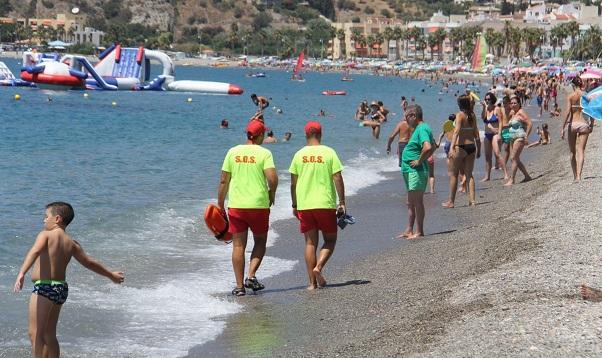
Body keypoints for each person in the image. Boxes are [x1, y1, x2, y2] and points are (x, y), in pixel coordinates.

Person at [13, 202, 124, 358]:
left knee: (35, 334)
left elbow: (35, 251)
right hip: (61, 290)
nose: (44, 220)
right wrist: (110, 275)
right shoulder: (71, 243)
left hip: (44, 288)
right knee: (49, 334)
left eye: (46, 217)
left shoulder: (45, 235)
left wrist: (21, 272)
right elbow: (89, 262)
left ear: (57, 218)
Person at [218, 120, 278, 296]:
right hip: (258, 205)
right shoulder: (264, 153)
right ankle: (251, 275)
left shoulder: (232, 152)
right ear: (259, 136)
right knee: (260, 241)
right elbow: (272, 178)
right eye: (263, 134)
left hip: (236, 205)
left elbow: (223, 181)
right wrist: (271, 192)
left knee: (238, 246)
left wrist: (220, 204)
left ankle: (239, 287)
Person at [289, 121, 346, 289]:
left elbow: (293, 183)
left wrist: (294, 204)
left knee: (310, 243)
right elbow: (337, 177)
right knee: (330, 240)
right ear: (320, 134)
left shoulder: (298, 155)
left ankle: (311, 284)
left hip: (305, 205)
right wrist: (342, 202)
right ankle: (318, 267)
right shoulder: (329, 152)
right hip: (325, 203)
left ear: (306, 134)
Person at [397, 105, 435, 239]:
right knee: (410, 202)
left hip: (416, 170)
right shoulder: (419, 129)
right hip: (409, 169)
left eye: (406, 117)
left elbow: (428, 146)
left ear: (413, 115)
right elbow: (434, 145)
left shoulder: (422, 128)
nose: (405, 120)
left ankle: (419, 231)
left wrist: (419, 161)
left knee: (417, 202)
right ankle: (409, 230)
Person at [442, 94, 481, 208]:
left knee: (454, 174)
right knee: (469, 175)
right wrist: (478, 148)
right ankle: (472, 201)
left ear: (459, 104)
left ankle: (451, 202)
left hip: (461, 146)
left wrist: (451, 147)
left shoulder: (460, 115)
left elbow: (456, 132)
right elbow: (476, 133)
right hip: (471, 147)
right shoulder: (472, 115)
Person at [561, 76, 594, 182]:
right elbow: (591, 110)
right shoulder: (586, 96)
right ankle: (579, 175)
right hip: (584, 124)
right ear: (581, 84)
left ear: (573, 85)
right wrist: (591, 124)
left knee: (572, 152)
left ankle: (575, 176)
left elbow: (567, 112)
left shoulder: (570, 96)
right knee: (581, 150)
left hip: (573, 124)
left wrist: (563, 127)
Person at [505, 96, 533, 186]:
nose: (513, 104)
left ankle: (512, 179)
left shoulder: (521, 112)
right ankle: (527, 176)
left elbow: (529, 123)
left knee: (513, 158)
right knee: (515, 158)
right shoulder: (512, 113)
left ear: (519, 104)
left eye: (515, 103)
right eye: (511, 103)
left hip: (519, 137)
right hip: (512, 137)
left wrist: (526, 136)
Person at [481, 93, 508, 181]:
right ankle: (487, 176)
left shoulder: (497, 109)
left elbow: (500, 122)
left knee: (497, 154)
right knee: (487, 156)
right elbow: (483, 118)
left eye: (489, 99)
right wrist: (484, 107)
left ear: (492, 99)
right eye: (486, 99)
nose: (487, 101)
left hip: (495, 133)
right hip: (487, 134)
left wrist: (500, 134)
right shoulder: (486, 109)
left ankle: (506, 174)